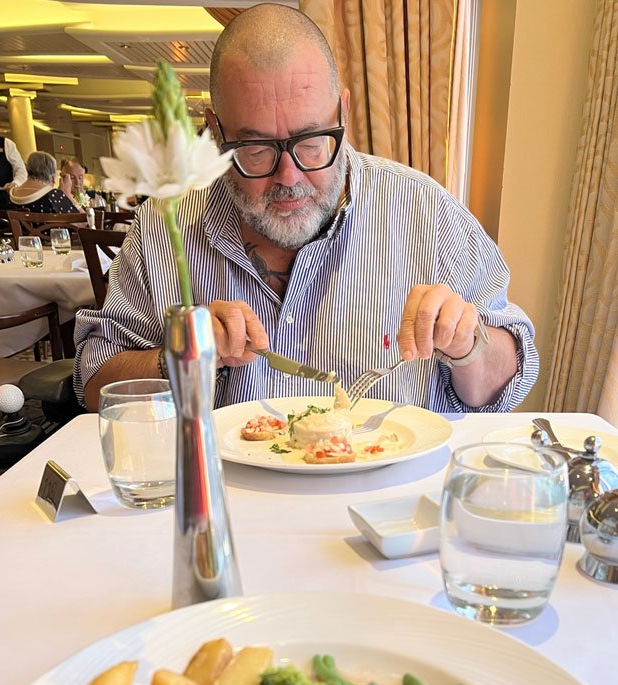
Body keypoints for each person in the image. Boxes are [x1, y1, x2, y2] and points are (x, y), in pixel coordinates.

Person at [74, 4, 538, 414]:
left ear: (343, 113)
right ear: (216, 130)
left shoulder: (424, 211)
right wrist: (177, 357)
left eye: (313, 143)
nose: (289, 178)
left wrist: (467, 344)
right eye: (255, 150)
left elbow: (505, 384)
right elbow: (93, 382)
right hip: (225, 501)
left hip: (388, 504)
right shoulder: (166, 224)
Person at [9, 151, 80, 214]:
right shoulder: (52, 195)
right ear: (51, 176)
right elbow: (84, 222)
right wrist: (67, 195)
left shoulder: (11, 193)